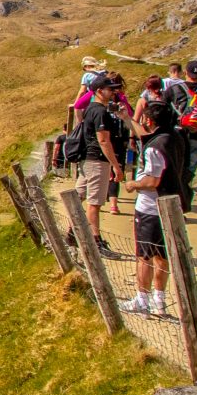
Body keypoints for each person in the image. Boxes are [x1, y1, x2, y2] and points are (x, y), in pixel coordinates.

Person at [125, 93, 188, 316]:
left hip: (150, 207)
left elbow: (152, 181)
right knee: (162, 256)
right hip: (172, 205)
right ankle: (159, 301)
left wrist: (133, 184)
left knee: (144, 256)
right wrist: (127, 118)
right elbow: (145, 136)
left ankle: (142, 298)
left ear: (150, 121)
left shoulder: (154, 148)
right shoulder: (176, 138)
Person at [74, 74, 128, 257]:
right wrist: (116, 166)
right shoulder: (100, 112)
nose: (114, 92)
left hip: (89, 159)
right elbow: (104, 140)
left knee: (78, 195)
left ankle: (71, 233)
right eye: (110, 89)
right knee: (94, 203)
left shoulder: (91, 109)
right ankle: (95, 242)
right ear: (99, 91)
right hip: (98, 160)